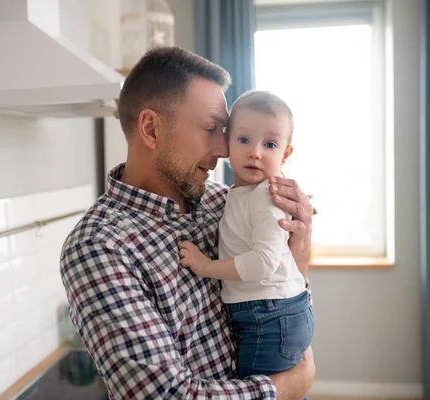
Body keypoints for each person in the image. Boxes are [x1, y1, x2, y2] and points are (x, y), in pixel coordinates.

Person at [60, 46, 315, 400]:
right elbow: (165, 396)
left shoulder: (221, 201)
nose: (225, 150)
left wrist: (300, 250)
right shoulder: (100, 246)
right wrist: (280, 389)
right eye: (212, 128)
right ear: (151, 129)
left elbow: (276, 293)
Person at [179, 90, 315, 383]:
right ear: (227, 143)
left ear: (286, 154)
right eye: (244, 140)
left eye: (269, 144)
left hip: (267, 317)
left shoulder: (266, 196)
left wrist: (205, 267)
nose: (256, 152)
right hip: (271, 313)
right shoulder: (239, 194)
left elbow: (264, 262)